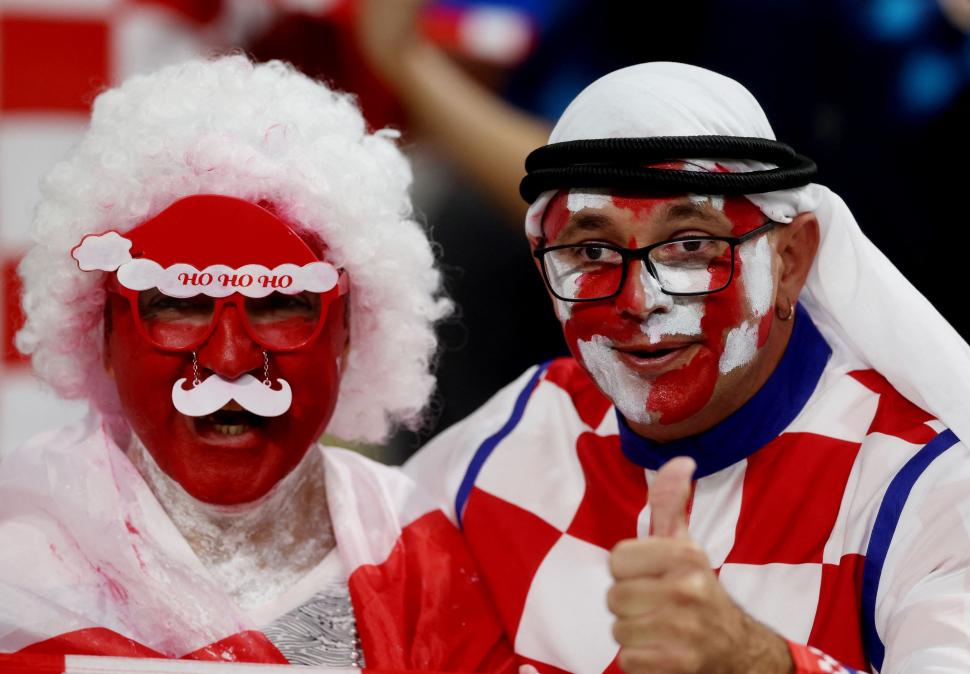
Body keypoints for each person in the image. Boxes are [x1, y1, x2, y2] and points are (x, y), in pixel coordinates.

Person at [408, 62, 970, 673]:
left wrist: (759, 662)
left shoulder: (927, 488)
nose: (639, 301)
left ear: (791, 259)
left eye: (692, 244)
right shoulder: (512, 437)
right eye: (592, 251)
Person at [0, 55, 513, 672]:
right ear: (102, 336)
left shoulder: (427, 550)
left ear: (351, 333)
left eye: (279, 305)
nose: (229, 359)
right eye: (180, 305)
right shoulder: (15, 557)